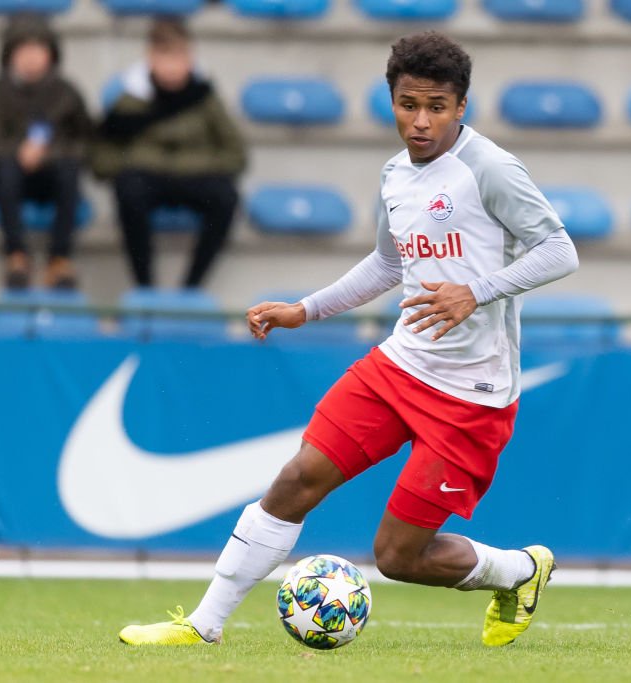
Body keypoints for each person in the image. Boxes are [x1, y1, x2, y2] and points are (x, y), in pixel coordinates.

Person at [118, 31, 579, 648]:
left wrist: (479, 290)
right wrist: (303, 310)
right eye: (409, 104)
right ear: (391, 99)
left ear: (461, 106)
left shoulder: (488, 168)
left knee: (397, 556)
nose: (421, 122)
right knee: (295, 480)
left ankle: (521, 569)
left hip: (472, 393)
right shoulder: (394, 175)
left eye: (437, 107)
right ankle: (204, 626)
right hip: (399, 366)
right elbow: (388, 265)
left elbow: (560, 250)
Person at [93, 18, 245, 289]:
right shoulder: (130, 100)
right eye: (166, 57)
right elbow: (101, 158)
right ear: (150, 58)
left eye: (180, 57)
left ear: (191, 58)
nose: (174, 67)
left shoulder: (205, 99)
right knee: (128, 190)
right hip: (146, 180)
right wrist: (135, 165)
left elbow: (236, 154)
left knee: (226, 197)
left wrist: (192, 165)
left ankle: (192, 286)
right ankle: (144, 285)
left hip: (196, 179)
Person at [0, 13, 92, 290]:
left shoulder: (67, 93)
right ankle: (16, 256)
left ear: (51, 53)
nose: (30, 57)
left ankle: (59, 259)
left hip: (54, 179)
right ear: (9, 55)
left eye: (38, 49)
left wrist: (46, 153)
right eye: (22, 49)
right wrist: (19, 152)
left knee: (68, 171)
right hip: (10, 181)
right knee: (6, 171)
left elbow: (88, 144)